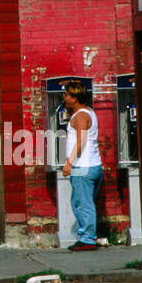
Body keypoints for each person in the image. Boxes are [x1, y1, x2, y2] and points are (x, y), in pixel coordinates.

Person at [61, 81, 102, 251]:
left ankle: (87, 239)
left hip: (82, 167)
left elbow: (80, 142)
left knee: (82, 204)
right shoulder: (89, 112)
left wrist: (69, 162)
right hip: (94, 165)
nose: (64, 98)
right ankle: (87, 236)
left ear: (74, 98)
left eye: (66, 95)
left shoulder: (80, 117)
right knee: (85, 203)